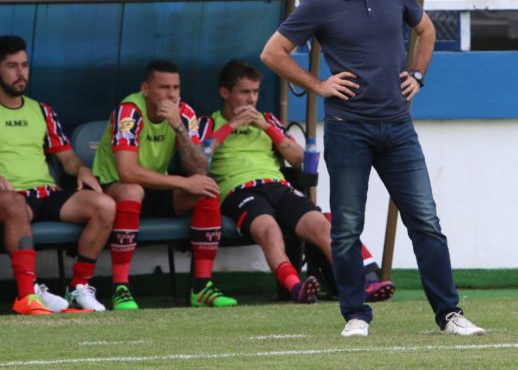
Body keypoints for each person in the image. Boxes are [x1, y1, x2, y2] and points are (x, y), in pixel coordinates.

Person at [261, 0, 485, 337]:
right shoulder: (320, 3)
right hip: (349, 131)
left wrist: (416, 76)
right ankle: (356, 316)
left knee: (426, 224)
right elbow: (273, 53)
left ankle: (450, 315)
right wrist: (318, 85)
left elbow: (426, 31)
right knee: (346, 228)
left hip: (399, 130)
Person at [199, 59, 395, 304]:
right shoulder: (209, 122)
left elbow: (299, 159)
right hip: (240, 191)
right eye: (244, 92)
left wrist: (267, 128)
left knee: (322, 225)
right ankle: (295, 287)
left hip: (278, 186)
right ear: (225, 93)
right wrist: (232, 126)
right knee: (270, 231)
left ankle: (360, 285)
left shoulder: (267, 120)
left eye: (255, 92)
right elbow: (200, 156)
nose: (251, 99)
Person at [92, 59, 237, 310]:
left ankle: (201, 287)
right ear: (146, 89)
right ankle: (120, 288)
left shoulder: (184, 113)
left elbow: (199, 169)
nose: (171, 95)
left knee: (207, 189)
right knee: (133, 190)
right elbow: (127, 172)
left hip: (156, 187)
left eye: (176, 88)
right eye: (163, 88)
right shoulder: (129, 111)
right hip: (113, 189)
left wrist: (178, 127)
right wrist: (182, 182)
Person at [0, 35, 115, 315]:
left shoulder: (42, 111)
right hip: (9, 198)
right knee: (15, 203)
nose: (20, 73)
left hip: (45, 193)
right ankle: (28, 295)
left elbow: (67, 158)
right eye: (12, 66)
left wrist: (81, 169)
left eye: (24, 65)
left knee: (105, 205)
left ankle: (77, 288)